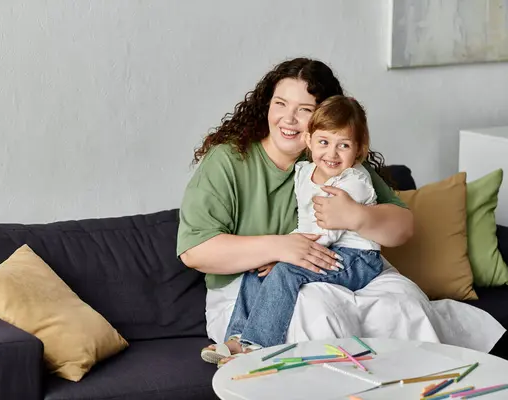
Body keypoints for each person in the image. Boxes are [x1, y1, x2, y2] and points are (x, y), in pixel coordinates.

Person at [177, 57, 505, 366]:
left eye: (304, 109)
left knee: (404, 301)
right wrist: (282, 247)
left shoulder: (332, 155)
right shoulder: (228, 161)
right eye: (280, 104)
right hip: (255, 285)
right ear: (267, 105)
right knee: (316, 310)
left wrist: (357, 217)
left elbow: (403, 227)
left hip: (345, 267)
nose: (288, 119)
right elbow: (195, 251)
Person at [223, 95, 384, 355]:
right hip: (321, 245)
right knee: (257, 267)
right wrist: (276, 252)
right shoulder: (303, 172)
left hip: (358, 258)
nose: (331, 153)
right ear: (309, 140)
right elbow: (307, 223)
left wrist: (285, 256)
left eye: (343, 145)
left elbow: (325, 233)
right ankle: (237, 336)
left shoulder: (353, 182)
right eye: (323, 142)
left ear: (359, 149)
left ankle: (257, 346)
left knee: (284, 271)